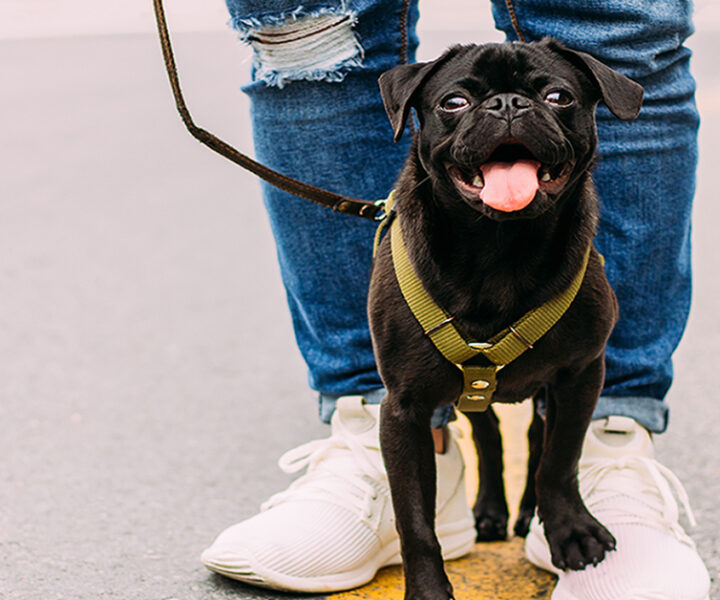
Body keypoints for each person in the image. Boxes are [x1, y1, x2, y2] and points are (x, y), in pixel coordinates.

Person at [200, 1, 711, 598]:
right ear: (410, 114)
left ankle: (598, 454)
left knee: (617, 22)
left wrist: (555, 487)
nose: (508, 113)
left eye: (553, 99)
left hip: (562, 294)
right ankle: (371, 431)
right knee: (307, 32)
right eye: (458, 103)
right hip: (426, 292)